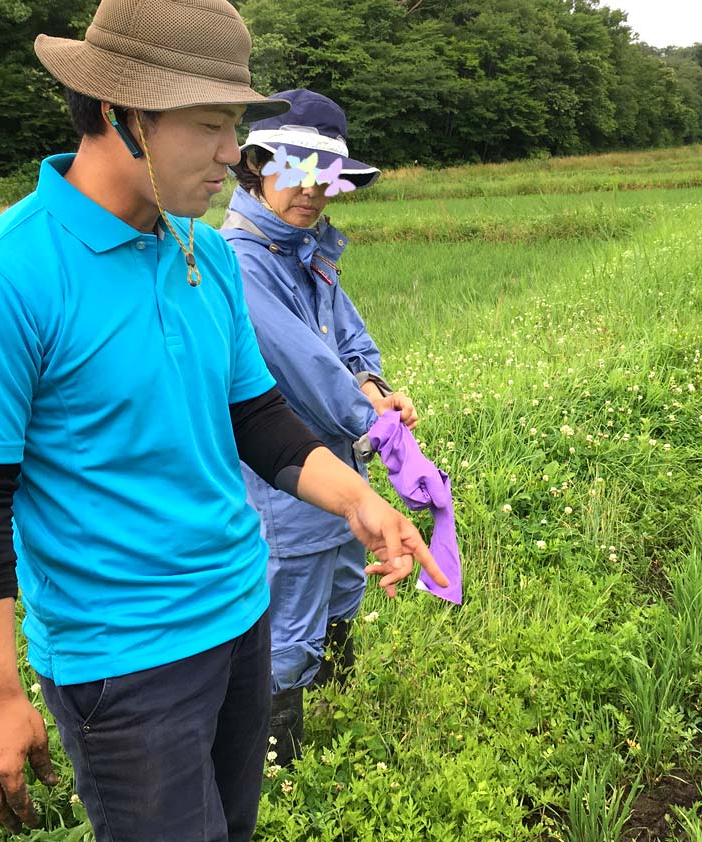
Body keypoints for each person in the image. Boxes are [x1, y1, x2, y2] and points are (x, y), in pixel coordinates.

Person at [0, 2, 447, 841]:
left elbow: (260, 420)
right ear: (124, 116)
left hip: (242, 615)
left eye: (234, 125)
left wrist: (360, 502)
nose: (233, 155)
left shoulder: (202, 256)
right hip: (124, 662)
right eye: (210, 126)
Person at [220, 90, 417, 765]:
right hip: (286, 477)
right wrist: (379, 426)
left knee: (341, 576)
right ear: (253, 165)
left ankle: (339, 704)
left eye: (324, 177)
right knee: (295, 598)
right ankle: (285, 763)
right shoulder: (243, 263)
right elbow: (306, 371)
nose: (311, 191)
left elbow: (349, 344)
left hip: (339, 460)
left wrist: (381, 391)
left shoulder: (306, 249)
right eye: (292, 170)